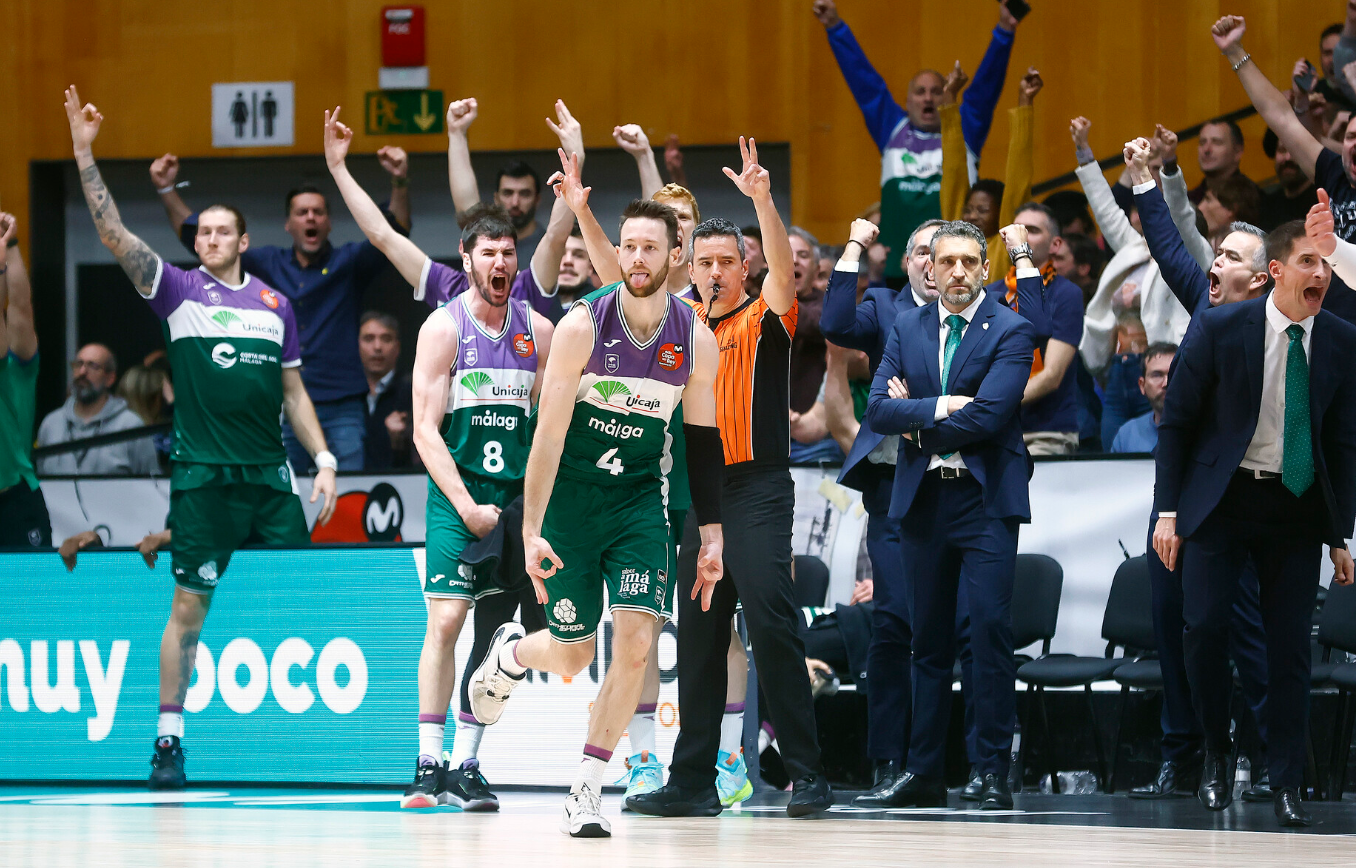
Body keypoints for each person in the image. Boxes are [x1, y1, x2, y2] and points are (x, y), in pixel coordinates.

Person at [64, 86, 338, 790]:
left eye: (223, 232)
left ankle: (317, 737)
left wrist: (326, 457)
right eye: (203, 232)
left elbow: (295, 393)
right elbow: (113, 235)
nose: (210, 240)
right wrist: (84, 150)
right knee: (188, 606)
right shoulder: (177, 292)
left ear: (245, 241)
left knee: (306, 596)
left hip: (270, 479)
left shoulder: (277, 306)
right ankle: (168, 741)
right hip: (203, 479)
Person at [464, 156, 724, 838]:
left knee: (636, 646)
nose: (637, 257)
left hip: (640, 501)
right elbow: (545, 439)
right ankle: (514, 654)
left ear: (677, 257)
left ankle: (588, 788)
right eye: (628, 245)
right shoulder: (583, 325)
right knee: (576, 652)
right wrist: (530, 531)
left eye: (650, 247)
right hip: (572, 503)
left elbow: (702, 444)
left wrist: (714, 534)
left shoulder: (694, 339)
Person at [320, 106, 560, 810]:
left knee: (504, 636)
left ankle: (468, 764)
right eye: (488, 253)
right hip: (462, 499)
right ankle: (426, 764)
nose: (501, 263)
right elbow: (425, 433)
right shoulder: (441, 322)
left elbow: (548, 432)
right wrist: (465, 506)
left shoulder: (540, 329)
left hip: (518, 504)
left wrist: (532, 510)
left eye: (509, 252)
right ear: (466, 260)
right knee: (447, 623)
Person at [624, 139, 832, 820]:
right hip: (701, 499)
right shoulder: (683, 324)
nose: (715, 272)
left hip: (761, 487)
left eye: (727, 262)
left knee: (772, 627)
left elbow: (780, 264)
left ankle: (807, 774)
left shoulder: (768, 316)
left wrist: (762, 199)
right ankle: (693, 783)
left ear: (747, 268)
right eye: (704, 263)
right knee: (702, 639)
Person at [822, 216, 1048, 806]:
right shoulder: (908, 325)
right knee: (928, 639)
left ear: (984, 269)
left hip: (984, 498)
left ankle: (990, 768)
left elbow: (993, 414)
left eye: (970, 263)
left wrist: (918, 414)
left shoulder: (1011, 327)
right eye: (945, 261)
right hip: (922, 498)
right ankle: (923, 771)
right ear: (928, 266)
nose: (956, 272)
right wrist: (945, 406)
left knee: (990, 632)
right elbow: (878, 413)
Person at [1153, 219, 1356, 828]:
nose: (1320, 274)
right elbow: (1178, 424)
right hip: (1222, 500)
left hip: (1294, 505)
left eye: (1326, 264)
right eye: (1308, 262)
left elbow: (1343, 443)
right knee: (1205, 630)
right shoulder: (1219, 327)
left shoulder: (1343, 340)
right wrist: (1169, 512)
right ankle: (1216, 753)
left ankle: (1287, 779)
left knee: (1291, 647)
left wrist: (1339, 533)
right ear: (1277, 273)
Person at [1125, 136, 1273, 802]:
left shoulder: (1277, 327)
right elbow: (1166, 245)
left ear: (1262, 277)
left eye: (1231, 256)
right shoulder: (1206, 306)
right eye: (1217, 254)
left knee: (1240, 633)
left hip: (1239, 506)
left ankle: (1266, 758)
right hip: (1178, 503)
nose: (1214, 263)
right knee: (1172, 626)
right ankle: (1183, 755)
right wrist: (1142, 182)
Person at [149, 143, 412, 474]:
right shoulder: (267, 263)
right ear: (288, 224)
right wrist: (165, 188)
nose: (310, 218)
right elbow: (196, 239)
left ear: (328, 222)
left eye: (318, 212)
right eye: (302, 213)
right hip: (285, 403)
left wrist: (399, 180)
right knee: (287, 490)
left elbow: (396, 232)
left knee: (348, 491)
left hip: (342, 405)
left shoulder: (349, 263)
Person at [813, 0, 1019, 282]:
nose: (928, 98)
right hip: (898, 269)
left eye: (936, 91)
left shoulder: (964, 131)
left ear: (946, 96)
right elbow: (864, 82)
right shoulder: (891, 129)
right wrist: (835, 27)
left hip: (953, 270)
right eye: (920, 92)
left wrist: (1005, 31)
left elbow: (985, 89)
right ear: (908, 101)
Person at [1214, 14, 1356, 323]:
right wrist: (1235, 51)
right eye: (1350, 137)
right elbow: (1280, 116)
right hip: (1324, 331)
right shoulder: (1335, 173)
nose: (1354, 144)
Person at [941, 62, 1043, 275]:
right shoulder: (953, 239)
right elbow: (953, 172)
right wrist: (949, 98)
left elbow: (1018, 179)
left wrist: (1025, 103)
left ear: (1000, 213)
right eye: (968, 209)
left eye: (983, 210)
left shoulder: (1005, 245)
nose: (971, 216)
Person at [1001, 203, 1083, 455]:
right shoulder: (990, 292)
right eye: (1017, 231)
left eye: (1032, 231)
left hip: (1046, 432)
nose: (1020, 238)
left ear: (1055, 245)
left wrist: (992, 405)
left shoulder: (1067, 294)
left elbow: (1051, 377)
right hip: (995, 429)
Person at [0, 214, 50, 548]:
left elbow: (20, 306)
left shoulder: (17, 367)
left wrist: (12, 245)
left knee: (29, 599)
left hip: (13, 501)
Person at [35, 343, 160, 476]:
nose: (82, 372)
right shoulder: (51, 423)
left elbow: (151, 484)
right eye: (78, 364)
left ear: (110, 378)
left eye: (92, 366)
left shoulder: (131, 426)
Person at [358, 312, 417, 471]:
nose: (377, 347)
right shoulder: (345, 393)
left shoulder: (413, 392)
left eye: (386, 339)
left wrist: (402, 439)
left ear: (397, 347)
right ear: (357, 344)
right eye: (369, 339)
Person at [788, 226, 827, 416]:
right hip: (761, 428)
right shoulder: (755, 302)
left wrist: (777, 288)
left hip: (813, 432)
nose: (794, 260)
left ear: (817, 269)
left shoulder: (829, 305)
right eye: (786, 253)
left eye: (803, 255)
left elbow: (813, 324)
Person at [1109, 343, 1175, 453]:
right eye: (1157, 375)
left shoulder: (1207, 433)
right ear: (1142, 385)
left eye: (1174, 374)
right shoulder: (1127, 435)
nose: (1166, 383)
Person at [1186, 118, 1260, 206]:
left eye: (1217, 142)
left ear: (1237, 152)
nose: (1206, 149)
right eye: (1202, 142)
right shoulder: (1187, 202)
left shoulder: (1255, 201)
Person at [1259, 129, 1320, 232]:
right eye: (1282, 150)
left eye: (1294, 151)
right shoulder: (1268, 206)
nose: (1287, 158)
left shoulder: (1323, 200)